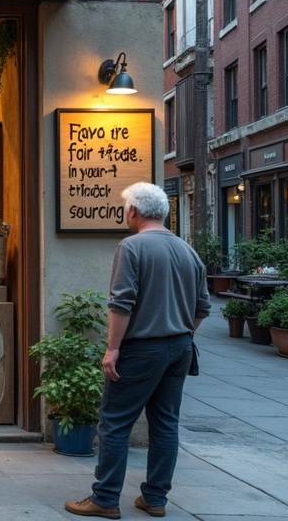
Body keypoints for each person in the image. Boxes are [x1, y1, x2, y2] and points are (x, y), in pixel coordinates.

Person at [65, 182, 210, 519]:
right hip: (180, 347)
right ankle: (155, 498)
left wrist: (112, 348)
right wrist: (185, 334)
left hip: (142, 348)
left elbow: (121, 303)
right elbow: (202, 307)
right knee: (166, 424)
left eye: (125, 209)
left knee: (114, 422)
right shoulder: (188, 251)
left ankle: (105, 498)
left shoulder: (132, 247)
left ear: (133, 211)